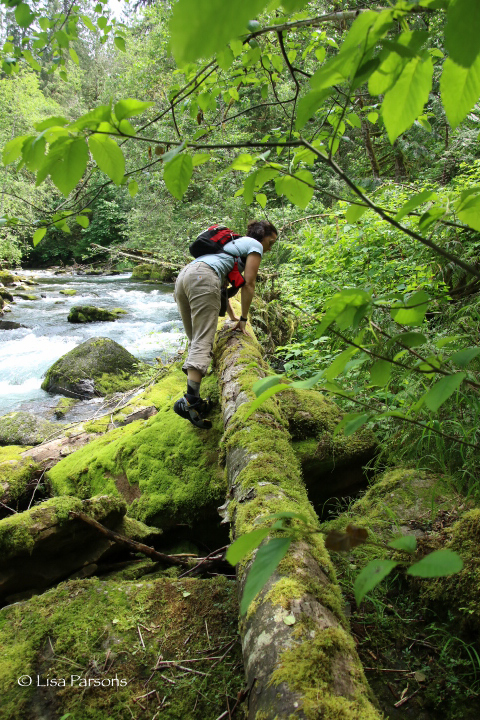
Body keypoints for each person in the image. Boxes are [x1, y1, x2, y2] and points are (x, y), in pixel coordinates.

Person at [173, 219, 278, 429]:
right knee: (203, 340)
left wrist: (232, 317)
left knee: (196, 339)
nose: (269, 247)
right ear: (261, 236)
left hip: (184, 277)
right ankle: (190, 401)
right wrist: (243, 320)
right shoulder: (253, 245)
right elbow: (249, 283)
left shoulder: (232, 246)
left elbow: (223, 288)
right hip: (203, 277)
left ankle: (194, 395)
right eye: (270, 241)